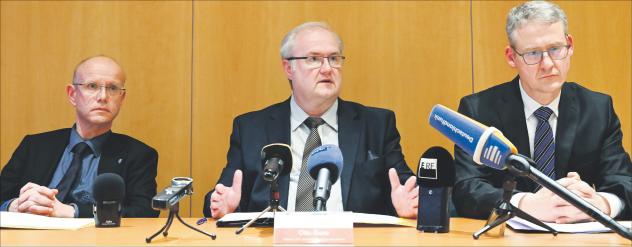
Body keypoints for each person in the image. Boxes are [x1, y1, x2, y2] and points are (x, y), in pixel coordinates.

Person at [203, 22, 418, 219]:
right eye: (313, 59)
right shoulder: (251, 128)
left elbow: (405, 189)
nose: (327, 68)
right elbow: (223, 196)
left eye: (334, 58)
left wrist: (409, 205)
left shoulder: (377, 125)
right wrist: (224, 206)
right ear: (289, 68)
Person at [453, 1, 632, 223]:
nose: (547, 64)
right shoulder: (478, 110)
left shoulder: (597, 109)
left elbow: (624, 181)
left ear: (570, 45)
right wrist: (526, 204)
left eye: (555, 49)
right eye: (533, 53)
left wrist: (600, 204)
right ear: (511, 57)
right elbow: (466, 188)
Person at [0, 55, 160, 218]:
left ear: (122, 98)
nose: (103, 97)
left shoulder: (139, 154)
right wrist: (13, 206)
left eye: (112, 88)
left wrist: (72, 212)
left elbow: (144, 212)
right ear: (72, 94)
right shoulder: (34, 146)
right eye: (92, 86)